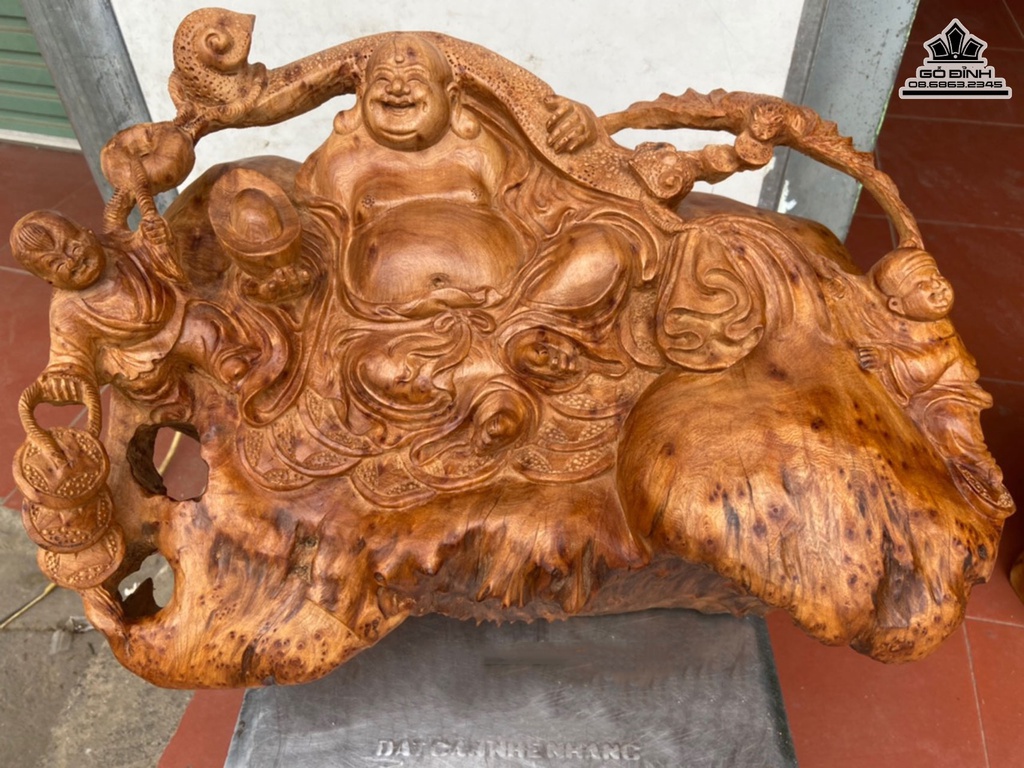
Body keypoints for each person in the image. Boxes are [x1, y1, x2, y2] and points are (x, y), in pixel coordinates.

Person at [858, 248, 1012, 513]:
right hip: (923, 395)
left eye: (937, 277)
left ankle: (983, 469)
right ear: (896, 306)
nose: (938, 287)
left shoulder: (941, 330)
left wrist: (887, 359)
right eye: (922, 285)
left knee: (952, 425)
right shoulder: (897, 321)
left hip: (952, 395)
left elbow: (929, 365)